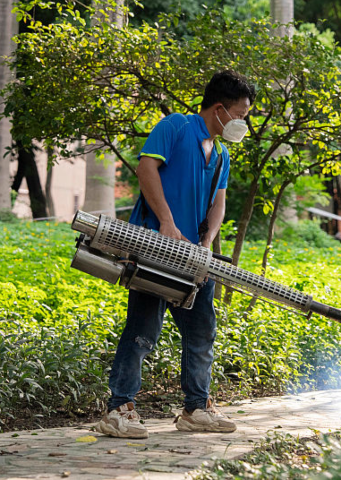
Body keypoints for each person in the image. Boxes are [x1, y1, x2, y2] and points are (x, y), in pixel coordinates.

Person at [96, 70, 256, 439]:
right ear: (220, 108)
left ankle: (196, 408)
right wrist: (167, 223)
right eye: (241, 114)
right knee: (143, 329)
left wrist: (206, 244)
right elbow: (145, 168)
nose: (242, 123)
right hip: (155, 247)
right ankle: (118, 409)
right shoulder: (175, 127)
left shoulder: (220, 154)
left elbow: (219, 203)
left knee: (202, 330)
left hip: (194, 259)